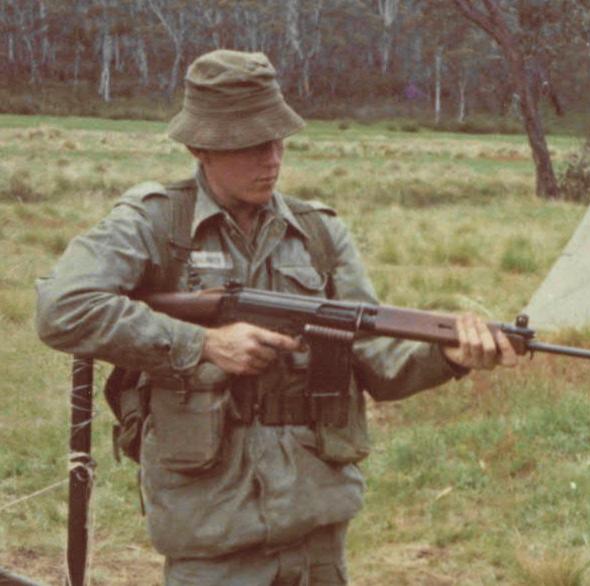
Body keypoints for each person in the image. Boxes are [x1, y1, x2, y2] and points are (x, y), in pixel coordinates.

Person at [36, 49, 518, 585]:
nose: (272, 158)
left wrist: (447, 355)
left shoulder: (318, 233)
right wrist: (202, 346)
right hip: (211, 526)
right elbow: (63, 308)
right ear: (201, 147)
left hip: (314, 524)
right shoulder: (153, 223)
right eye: (250, 144)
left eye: (277, 139)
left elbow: (377, 360)